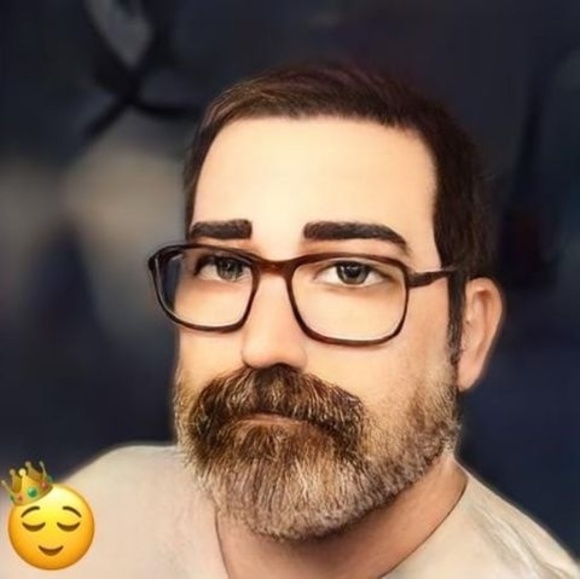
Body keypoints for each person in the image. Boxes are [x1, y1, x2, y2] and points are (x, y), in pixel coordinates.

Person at [1, 63, 578, 578]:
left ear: (468, 335)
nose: (265, 345)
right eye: (226, 265)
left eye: (351, 272)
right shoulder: (96, 516)